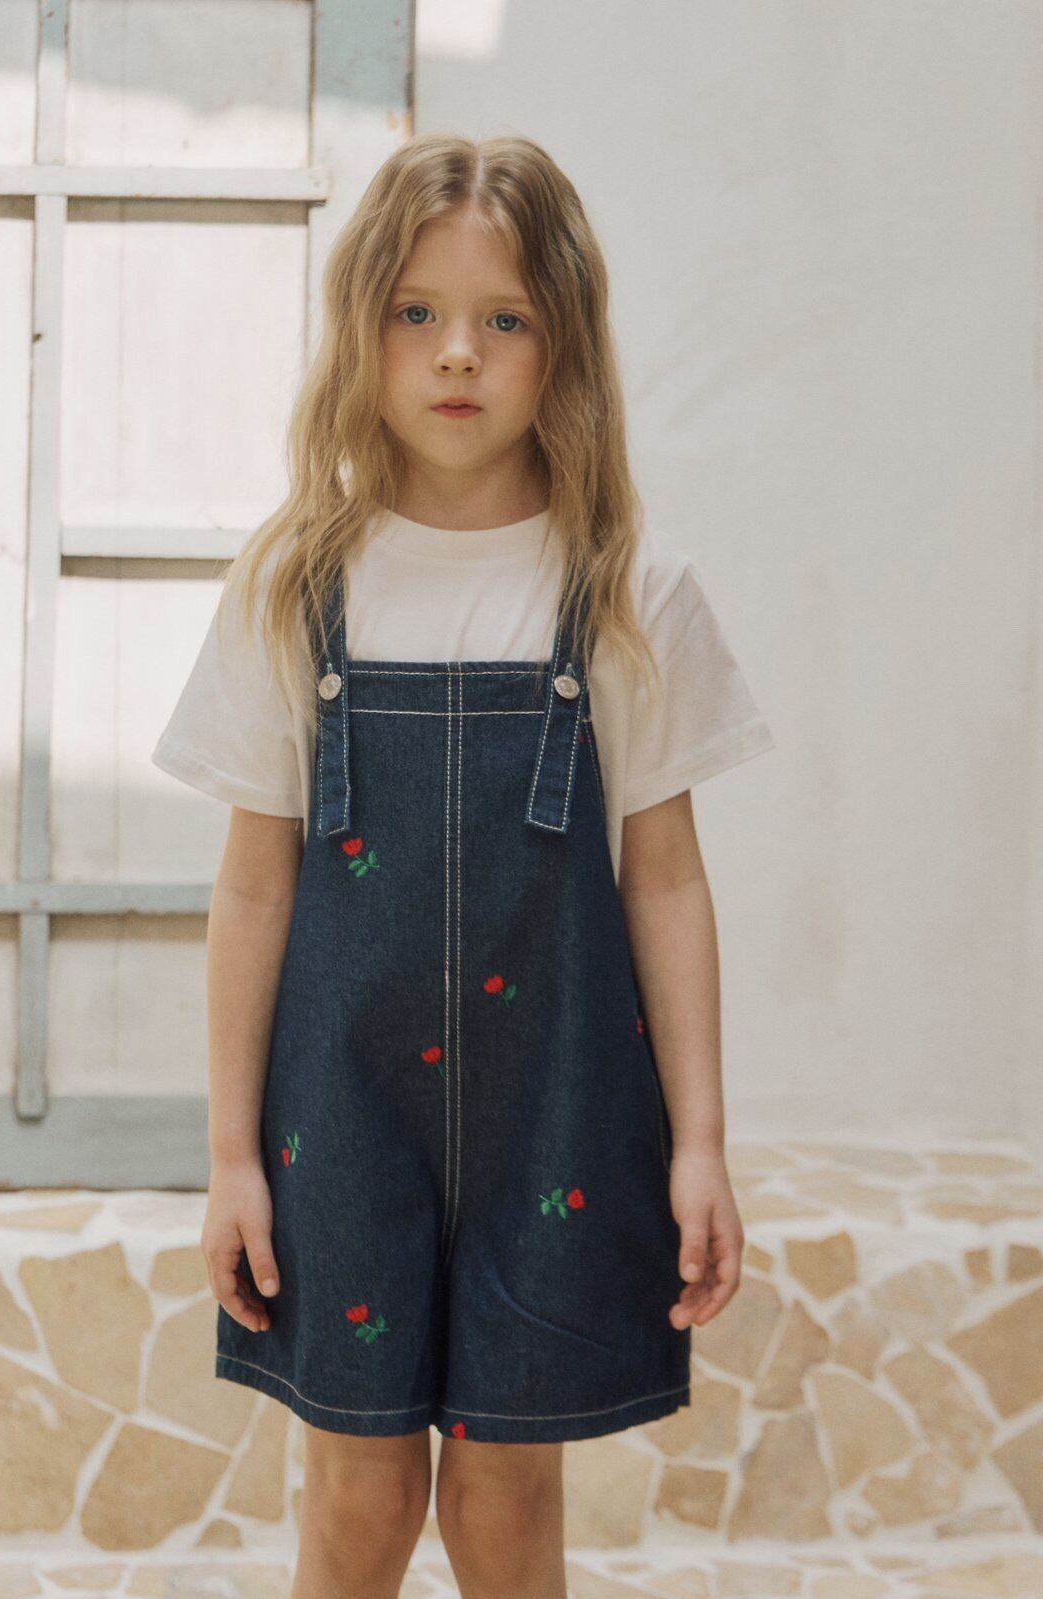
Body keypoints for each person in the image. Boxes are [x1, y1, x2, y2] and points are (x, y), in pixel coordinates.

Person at [151, 132, 776, 1599]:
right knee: (359, 1501)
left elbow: (666, 881)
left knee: (503, 1507)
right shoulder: (292, 587)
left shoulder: (629, 591)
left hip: (559, 1112)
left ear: (566, 348)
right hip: (339, 1123)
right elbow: (253, 889)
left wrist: (699, 1143)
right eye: (417, 312)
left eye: (505, 319)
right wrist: (231, 1157)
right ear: (359, 330)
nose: (456, 354)